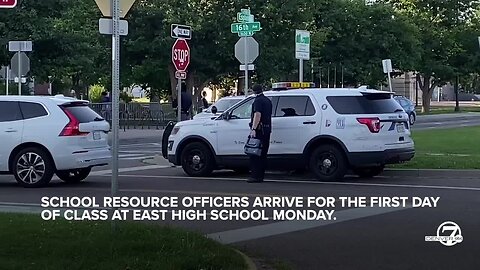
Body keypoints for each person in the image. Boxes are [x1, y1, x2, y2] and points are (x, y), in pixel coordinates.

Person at [247, 84, 272, 183]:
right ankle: (261, 176)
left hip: (259, 130)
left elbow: (257, 115)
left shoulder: (258, 101)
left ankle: (255, 176)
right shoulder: (267, 101)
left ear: (254, 91)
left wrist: (253, 128)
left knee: (255, 153)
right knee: (263, 154)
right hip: (267, 129)